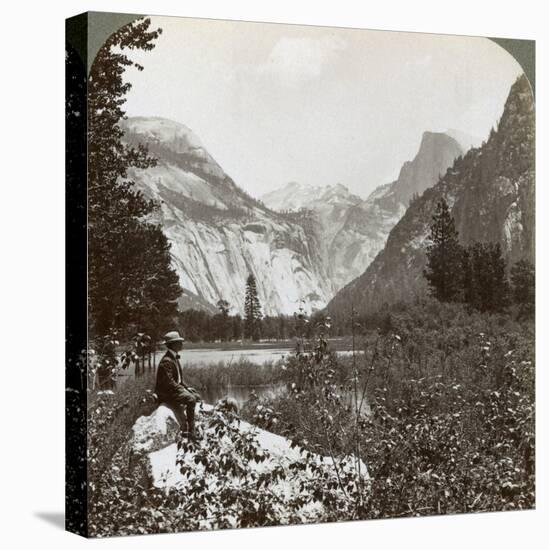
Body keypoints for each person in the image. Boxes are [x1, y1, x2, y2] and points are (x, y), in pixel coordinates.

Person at [155, 330, 201, 438]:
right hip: (167, 393)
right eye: (179, 342)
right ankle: (191, 431)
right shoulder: (167, 361)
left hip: (173, 390)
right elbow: (169, 383)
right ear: (173, 344)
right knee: (191, 399)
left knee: (196, 396)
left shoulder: (173, 358)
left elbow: (179, 380)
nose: (181, 344)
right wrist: (183, 391)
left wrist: (187, 387)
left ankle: (188, 426)